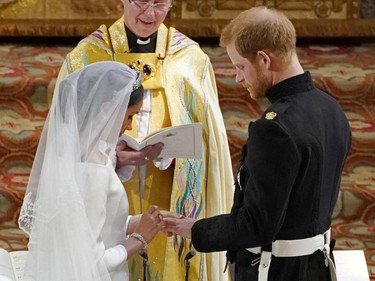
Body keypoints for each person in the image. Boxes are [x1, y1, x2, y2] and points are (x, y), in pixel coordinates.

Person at [162, 6, 352, 281]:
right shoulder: (331, 107)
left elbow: (256, 225)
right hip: (317, 268)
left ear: (263, 59)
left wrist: (193, 229)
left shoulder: (273, 129)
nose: (238, 77)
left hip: (278, 272)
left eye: (240, 66)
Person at [52, 0, 234, 280]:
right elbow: (64, 139)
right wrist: (111, 158)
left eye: (160, 3)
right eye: (141, 2)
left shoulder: (190, 58)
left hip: (169, 185)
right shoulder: (87, 57)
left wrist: (176, 152)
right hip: (106, 187)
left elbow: (210, 144)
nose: (150, 14)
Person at [18, 61, 166, 281]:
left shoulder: (73, 152)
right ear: (109, 109)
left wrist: (140, 221)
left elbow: (83, 225)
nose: (129, 126)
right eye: (130, 116)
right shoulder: (92, 165)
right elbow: (91, 262)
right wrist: (139, 238)